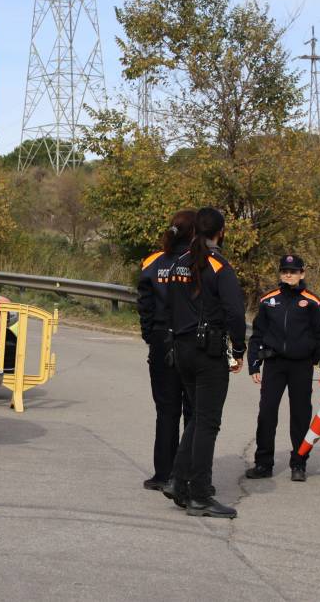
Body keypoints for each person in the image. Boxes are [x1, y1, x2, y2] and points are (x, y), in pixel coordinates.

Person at [161, 207, 247, 519]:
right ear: (220, 232)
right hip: (207, 351)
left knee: (197, 417)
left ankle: (178, 481)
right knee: (208, 422)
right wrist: (238, 348)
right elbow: (236, 312)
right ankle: (199, 493)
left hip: (181, 348)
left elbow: (168, 305)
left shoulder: (178, 263)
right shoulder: (218, 264)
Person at [245, 254, 320, 482]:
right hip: (274, 364)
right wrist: (254, 363)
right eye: (285, 271)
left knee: (300, 416)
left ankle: (299, 463)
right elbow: (257, 335)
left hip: (301, 365)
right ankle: (263, 464)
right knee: (267, 413)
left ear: (302, 274)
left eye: (293, 271)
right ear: (280, 273)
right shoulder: (268, 300)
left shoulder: (313, 302)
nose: (289, 275)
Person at [136, 210, 196, 491]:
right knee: (193, 412)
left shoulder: (151, 262)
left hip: (161, 342)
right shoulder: (199, 263)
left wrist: (151, 336)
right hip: (191, 340)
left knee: (166, 410)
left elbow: (144, 305)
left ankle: (163, 474)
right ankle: (185, 474)